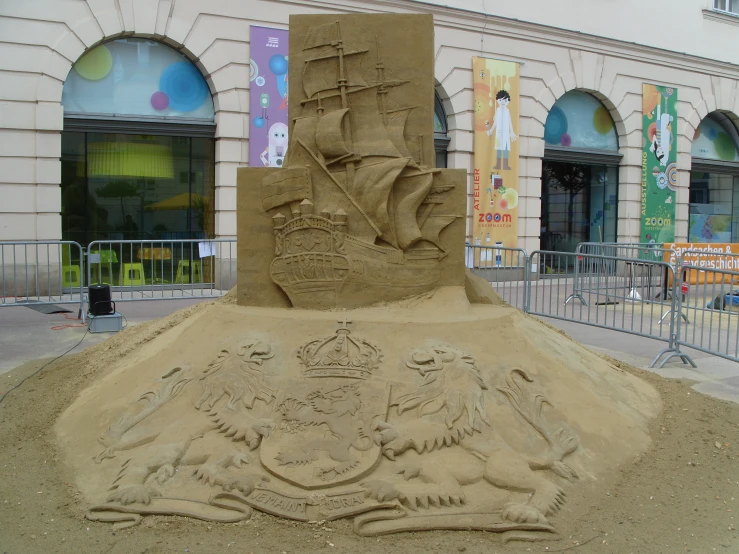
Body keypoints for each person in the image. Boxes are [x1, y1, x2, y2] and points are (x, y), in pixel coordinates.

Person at [486, 89, 518, 170]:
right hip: (499, 133)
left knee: (506, 149)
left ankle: (506, 165)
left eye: (505, 100)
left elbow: (510, 121)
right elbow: (496, 121)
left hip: (506, 133)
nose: (503, 102)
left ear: (508, 100)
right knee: (499, 149)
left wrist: (512, 131)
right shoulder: (498, 110)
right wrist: (491, 130)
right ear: (498, 101)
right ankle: (498, 164)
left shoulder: (507, 111)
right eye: (501, 100)